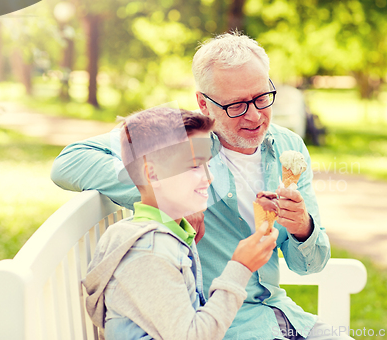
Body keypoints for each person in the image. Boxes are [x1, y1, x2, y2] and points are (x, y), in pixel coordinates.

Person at [52, 32, 351, 340]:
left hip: (281, 316)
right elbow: (70, 161)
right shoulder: (178, 136)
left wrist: (303, 226)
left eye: (262, 98)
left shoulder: (289, 145)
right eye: (236, 105)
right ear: (203, 103)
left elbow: (310, 266)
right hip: (221, 325)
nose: (255, 115)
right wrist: (170, 195)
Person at [83, 107, 279, 339]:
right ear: (152, 175)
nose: (208, 177)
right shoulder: (148, 252)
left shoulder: (170, 237)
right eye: (195, 165)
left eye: (208, 165)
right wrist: (241, 267)